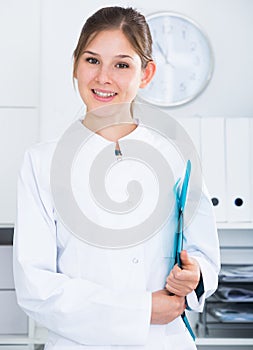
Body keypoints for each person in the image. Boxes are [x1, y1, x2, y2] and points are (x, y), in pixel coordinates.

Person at [13, 6, 220, 350]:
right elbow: (35, 286)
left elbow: (205, 255)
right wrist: (142, 310)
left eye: (122, 65)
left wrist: (195, 276)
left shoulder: (176, 156)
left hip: (164, 342)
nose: (103, 77)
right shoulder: (41, 162)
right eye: (92, 60)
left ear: (146, 73)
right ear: (75, 65)